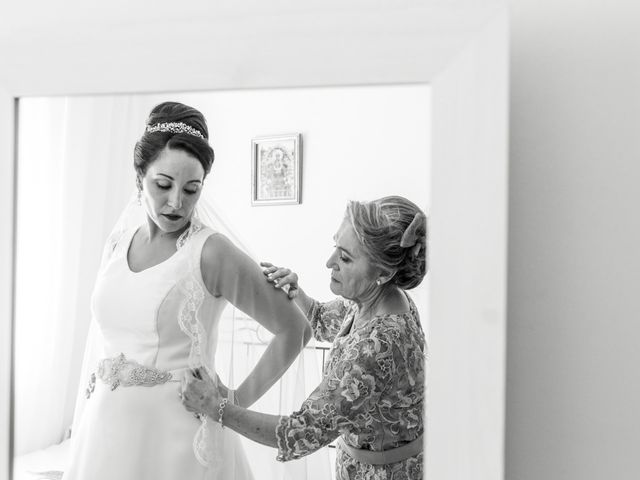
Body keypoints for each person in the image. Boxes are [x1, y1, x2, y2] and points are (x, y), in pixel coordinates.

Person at [62, 101, 312, 480]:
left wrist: (231, 405)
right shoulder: (117, 243)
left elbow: (295, 329)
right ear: (138, 178)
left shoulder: (210, 252)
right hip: (105, 435)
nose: (177, 202)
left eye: (191, 189)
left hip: (180, 444)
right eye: (163, 185)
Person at [181, 196, 427, 479]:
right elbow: (323, 321)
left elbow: (301, 431)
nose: (329, 262)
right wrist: (297, 294)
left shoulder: (379, 345)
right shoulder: (379, 301)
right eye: (336, 247)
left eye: (345, 258)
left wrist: (216, 407)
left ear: (383, 273)